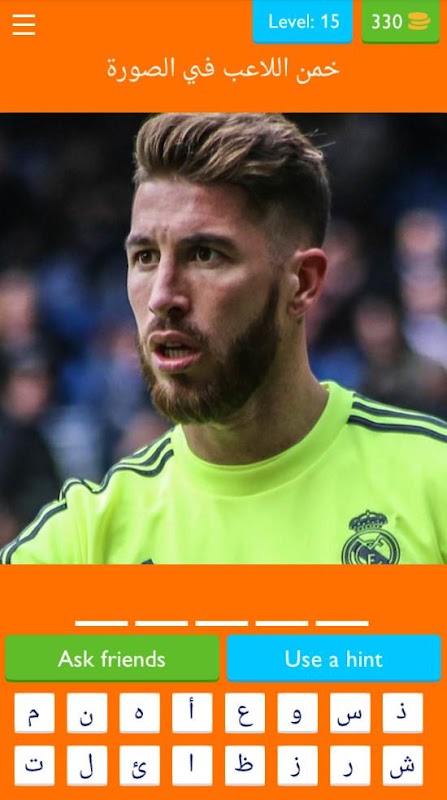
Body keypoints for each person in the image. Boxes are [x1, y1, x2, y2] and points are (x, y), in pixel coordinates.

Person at [2, 112, 446, 565]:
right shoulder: (85, 543)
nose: (162, 297)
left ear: (303, 283)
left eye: (205, 254)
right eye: (146, 257)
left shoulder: (433, 485)